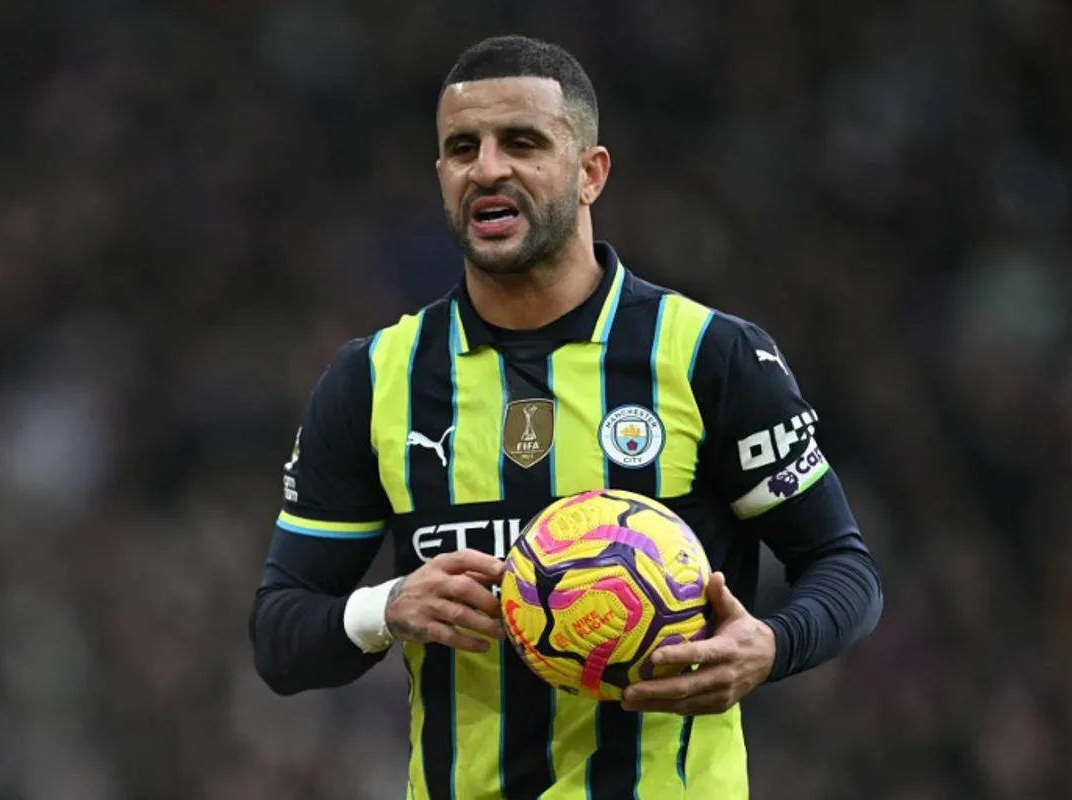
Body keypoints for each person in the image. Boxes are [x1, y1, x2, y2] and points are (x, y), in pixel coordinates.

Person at [250, 34, 883, 799]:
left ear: (590, 173)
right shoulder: (373, 381)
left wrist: (770, 646)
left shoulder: (707, 357)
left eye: (522, 142)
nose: (487, 168)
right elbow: (281, 635)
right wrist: (389, 606)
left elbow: (844, 567)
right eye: (462, 148)